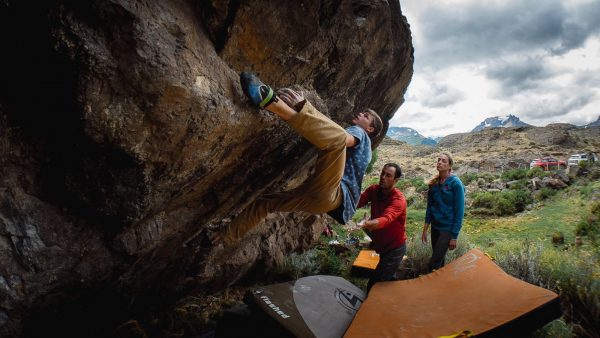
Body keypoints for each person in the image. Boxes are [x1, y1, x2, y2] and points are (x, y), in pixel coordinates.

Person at [215, 72, 383, 245]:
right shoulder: (367, 151)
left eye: (366, 117)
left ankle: (272, 103)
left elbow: (341, 140)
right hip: (321, 200)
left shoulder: (361, 134)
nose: (361, 114)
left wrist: (305, 106)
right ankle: (225, 235)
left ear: (370, 129)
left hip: (333, 192)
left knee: (338, 139)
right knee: (265, 203)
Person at [357, 163, 407, 292]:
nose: (383, 177)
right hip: (378, 244)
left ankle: (373, 308)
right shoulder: (374, 190)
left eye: (388, 175)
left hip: (393, 249)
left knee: (375, 285)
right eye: (382, 173)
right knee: (371, 275)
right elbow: (358, 201)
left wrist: (368, 224)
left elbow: (386, 219)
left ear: (395, 180)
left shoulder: (398, 199)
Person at [421, 152, 465, 271]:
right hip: (435, 227)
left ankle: (429, 287)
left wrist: (454, 236)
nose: (439, 162)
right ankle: (441, 285)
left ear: (450, 166)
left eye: (443, 161)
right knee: (440, 261)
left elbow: (459, 211)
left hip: (447, 230)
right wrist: (425, 229)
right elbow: (429, 207)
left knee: (433, 263)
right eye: (438, 160)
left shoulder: (455, 184)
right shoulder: (433, 184)